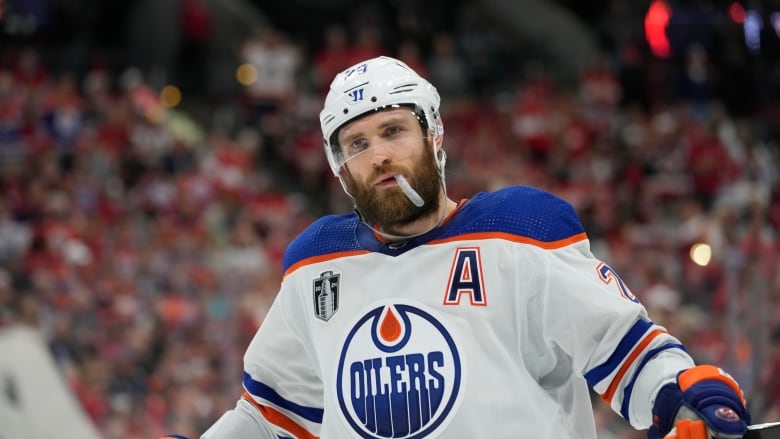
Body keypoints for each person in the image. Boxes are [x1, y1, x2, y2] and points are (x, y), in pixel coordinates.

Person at [197, 56, 750, 438]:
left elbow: (624, 350)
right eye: (357, 144)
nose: (378, 155)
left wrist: (679, 391)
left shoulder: (520, 230)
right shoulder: (316, 266)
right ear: (341, 167)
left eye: (394, 131)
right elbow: (272, 418)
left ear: (434, 135)